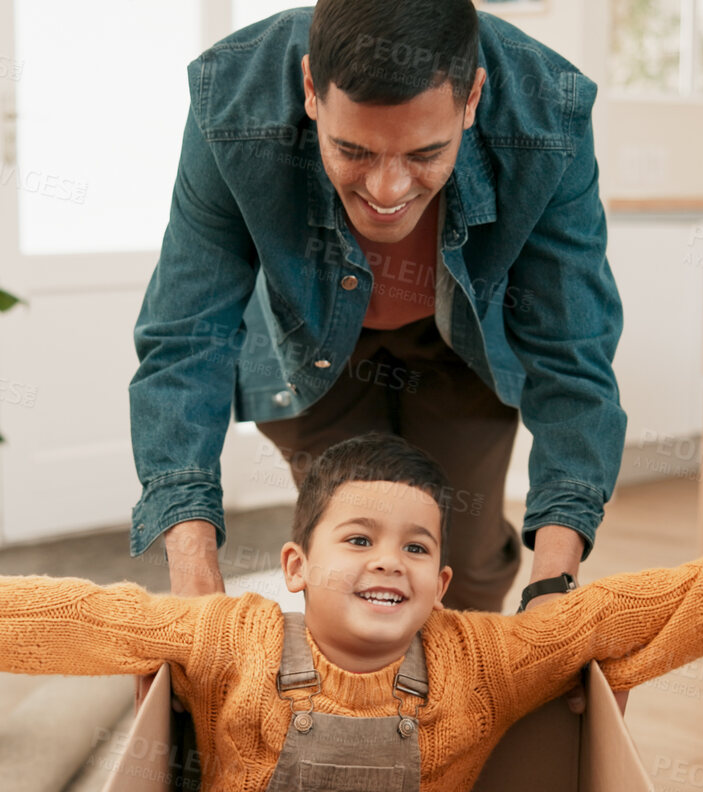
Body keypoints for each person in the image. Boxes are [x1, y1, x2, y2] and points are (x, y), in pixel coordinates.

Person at [0, 432, 703, 792]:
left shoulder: (484, 657)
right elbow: (91, 616)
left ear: (443, 580)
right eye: (359, 538)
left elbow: (599, 618)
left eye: (415, 546)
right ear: (299, 567)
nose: (388, 560)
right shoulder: (234, 635)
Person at [129, 1, 626, 667]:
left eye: (425, 153)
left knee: (465, 568)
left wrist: (553, 585)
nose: (387, 189)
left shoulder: (548, 115)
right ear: (311, 88)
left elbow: (573, 353)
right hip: (301, 346)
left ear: (472, 96)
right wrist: (194, 585)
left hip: (461, 347)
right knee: (349, 570)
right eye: (352, 150)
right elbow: (185, 334)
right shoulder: (232, 100)